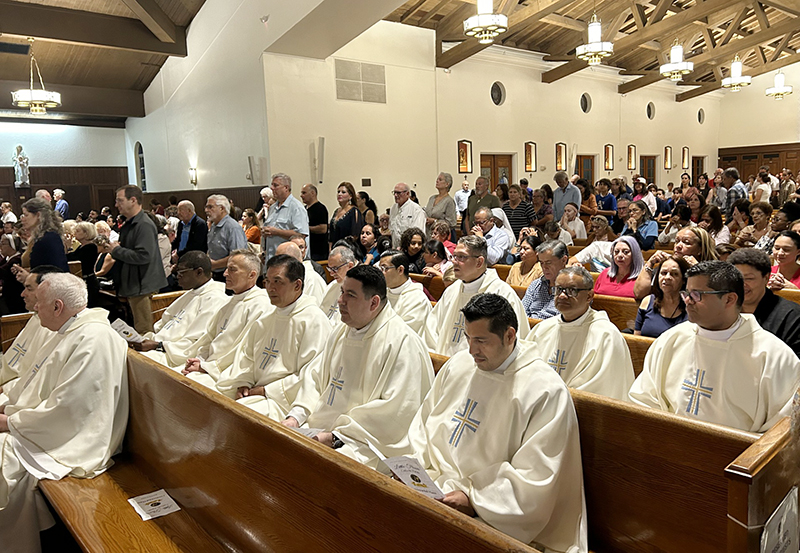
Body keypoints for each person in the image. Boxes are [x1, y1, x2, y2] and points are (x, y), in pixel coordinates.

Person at [407, 293, 587, 551]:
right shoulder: (460, 365)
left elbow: (537, 477)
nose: (471, 350)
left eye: (481, 341)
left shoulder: (545, 390)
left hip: (493, 512)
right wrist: (413, 469)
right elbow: (424, 422)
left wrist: (473, 498)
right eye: (469, 339)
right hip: (435, 488)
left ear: (510, 335)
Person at [0, 272, 127, 552]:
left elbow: (72, 408)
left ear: (58, 307)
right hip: (40, 425)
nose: (34, 307)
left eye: (40, 303)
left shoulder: (93, 339)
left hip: (69, 439)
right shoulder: (67, 330)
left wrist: (11, 421)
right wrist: (8, 406)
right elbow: (36, 381)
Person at [282, 265, 434, 468]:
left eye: (350, 295)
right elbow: (314, 378)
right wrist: (296, 416)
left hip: (366, 442)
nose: (340, 301)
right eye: (342, 292)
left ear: (374, 303)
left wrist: (336, 436)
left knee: (328, 466)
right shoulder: (341, 332)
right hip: (320, 428)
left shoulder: (401, 343)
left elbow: (398, 411)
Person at [629, 261, 800, 433]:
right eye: (686, 293)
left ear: (729, 299)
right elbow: (644, 398)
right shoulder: (672, 339)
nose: (687, 301)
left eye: (697, 295)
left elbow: (781, 428)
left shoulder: (774, 356)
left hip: (738, 455)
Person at [215, 255, 331, 420]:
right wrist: (244, 383)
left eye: (278, 282)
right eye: (267, 282)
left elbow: (312, 374)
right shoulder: (266, 316)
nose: (270, 288)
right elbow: (247, 357)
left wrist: (266, 391)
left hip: (281, 401)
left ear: (297, 285)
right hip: (254, 392)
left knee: (231, 415)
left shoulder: (314, 321)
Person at [526, 266, 634, 400]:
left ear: (589, 296)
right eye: (558, 289)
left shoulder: (606, 336)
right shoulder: (542, 329)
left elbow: (601, 389)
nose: (562, 296)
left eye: (572, 290)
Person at [181, 250, 273, 387]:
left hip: (227, 374)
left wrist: (207, 367)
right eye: (226, 269)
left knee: (186, 385)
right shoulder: (228, 303)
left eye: (232, 270)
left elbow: (243, 350)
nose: (225, 274)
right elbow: (209, 338)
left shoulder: (261, 306)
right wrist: (200, 359)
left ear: (252, 275)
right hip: (209, 367)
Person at [424, 235, 529, 356]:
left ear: (479, 262)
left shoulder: (502, 294)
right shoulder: (452, 290)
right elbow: (431, 329)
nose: (454, 261)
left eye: (461, 257)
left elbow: (512, 342)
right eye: (454, 256)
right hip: (445, 365)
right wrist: (436, 359)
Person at [134, 251, 228, 367]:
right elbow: (163, 325)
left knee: (131, 361)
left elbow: (196, 343)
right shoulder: (191, 293)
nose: (177, 277)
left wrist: (157, 345)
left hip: (173, 356)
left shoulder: (215, 299)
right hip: (160, 346)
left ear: (199, 272)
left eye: (181, 272)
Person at [98, 186, 166, 333]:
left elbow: (143, 256)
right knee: (138, 327)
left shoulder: (144, 225)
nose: (116, 205)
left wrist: (116, 250)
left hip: (142, 285)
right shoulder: (130, 223)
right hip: (134, 283)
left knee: (145, 330)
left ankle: (148, 356)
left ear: (133, 200)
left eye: (120, 200)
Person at [0, 267, 61, 402]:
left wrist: (5, 388)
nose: (23, 294)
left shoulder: (53, 327)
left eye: (29, 288)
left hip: (17, 391)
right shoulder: (36, 317)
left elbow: (36, 375)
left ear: (46, 292)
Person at [729, 248, 800, 357]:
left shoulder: (792, 315)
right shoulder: (724, 309)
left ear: (766, 278)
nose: (741, 285)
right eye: (736, 279)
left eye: (749, 279)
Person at [634, 226, 718, 300]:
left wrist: (698, 268)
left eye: (686, 242)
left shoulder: (714, 272)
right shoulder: (666, 267)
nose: (678, 246)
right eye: (677, 241)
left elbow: (712, 299)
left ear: (700, 249)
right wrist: (649, 263)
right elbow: (639, 293)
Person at [635, 256, 689, 338]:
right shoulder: (647, 301)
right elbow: (636, 339)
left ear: (683, 280)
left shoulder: (690, 306)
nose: (667, 277)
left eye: (674, 274)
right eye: (663, 273)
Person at [14, 198, 68, 276]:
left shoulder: (48, 238)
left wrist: (28, 276)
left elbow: (55, 270)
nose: (22, 219)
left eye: (26, 215)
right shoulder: (44, 237)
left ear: (38, 215)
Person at [262, 173, 310, 262]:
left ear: (286, 188)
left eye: (275, 185)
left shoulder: (296, 207)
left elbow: (301, 234)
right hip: (271, 258)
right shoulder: (273, 207)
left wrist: (276, 232)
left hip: (288, 261)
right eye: (272, 185)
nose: (272, 188)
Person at [205, 194, 248, 281]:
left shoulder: (232, 227)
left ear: (222, 208)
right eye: (206, 207)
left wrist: (215, 264)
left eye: (210, 207)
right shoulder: (213, 226)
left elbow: (238, 256)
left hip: (230, 275)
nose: (206, 210)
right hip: (215, 273)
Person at [522, 240, 569, 320]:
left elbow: (564, 321)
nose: (544, 267)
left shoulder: (573, 288)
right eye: (541, 263)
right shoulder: (536, 285)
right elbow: (522, 312)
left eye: (548, 262)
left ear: (563, 260)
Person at [276, 240, 327, 305]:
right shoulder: (285, 276)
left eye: (279, 260)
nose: (275, 263)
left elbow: (313, 308)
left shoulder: (312, 279)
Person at [320, 245, 359, 325]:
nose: (331, 274)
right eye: (329, 269)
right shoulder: (332, 285)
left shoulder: (359, 287)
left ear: (350, 266)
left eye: (335, 269)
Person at [389, 182, 426, 248]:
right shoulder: (393, 209)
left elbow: (418, 233)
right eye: (394, 193)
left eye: (398, 193)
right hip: (396, 248)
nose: (395, 195)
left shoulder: (416, 209)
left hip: (410, 249)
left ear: (408, 194)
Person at [329, 182, 365, 247]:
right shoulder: (337, 211)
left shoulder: (354, 211)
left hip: (348, 248)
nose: (339, 194)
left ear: (350, 196)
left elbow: (355, 235)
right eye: (338, 192)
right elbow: (331, 235)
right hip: (334, 247)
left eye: (343, 192)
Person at [300, 184, 329, 262]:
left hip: (318, 251)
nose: (301, 196)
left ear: (312, 193)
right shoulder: (304, 209)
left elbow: (323, 229)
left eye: (304, 193)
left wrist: (305, 228)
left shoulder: (320, 208)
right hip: (307, 248)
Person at [424, 173, 457, 237]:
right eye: (437, 179)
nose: (437, 181)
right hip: (429, 234)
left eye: (440, 180)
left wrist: (435, 221)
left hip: (441, 236)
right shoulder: (432, 198)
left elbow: (451, 223)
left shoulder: (449, 201)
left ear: (447, 184)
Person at [0, 235, 24, 315]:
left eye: (3, 244)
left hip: (15, 298)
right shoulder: (7, 259)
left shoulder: (16, 260)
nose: (1, 246)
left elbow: (2, 271)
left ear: (12, 246)